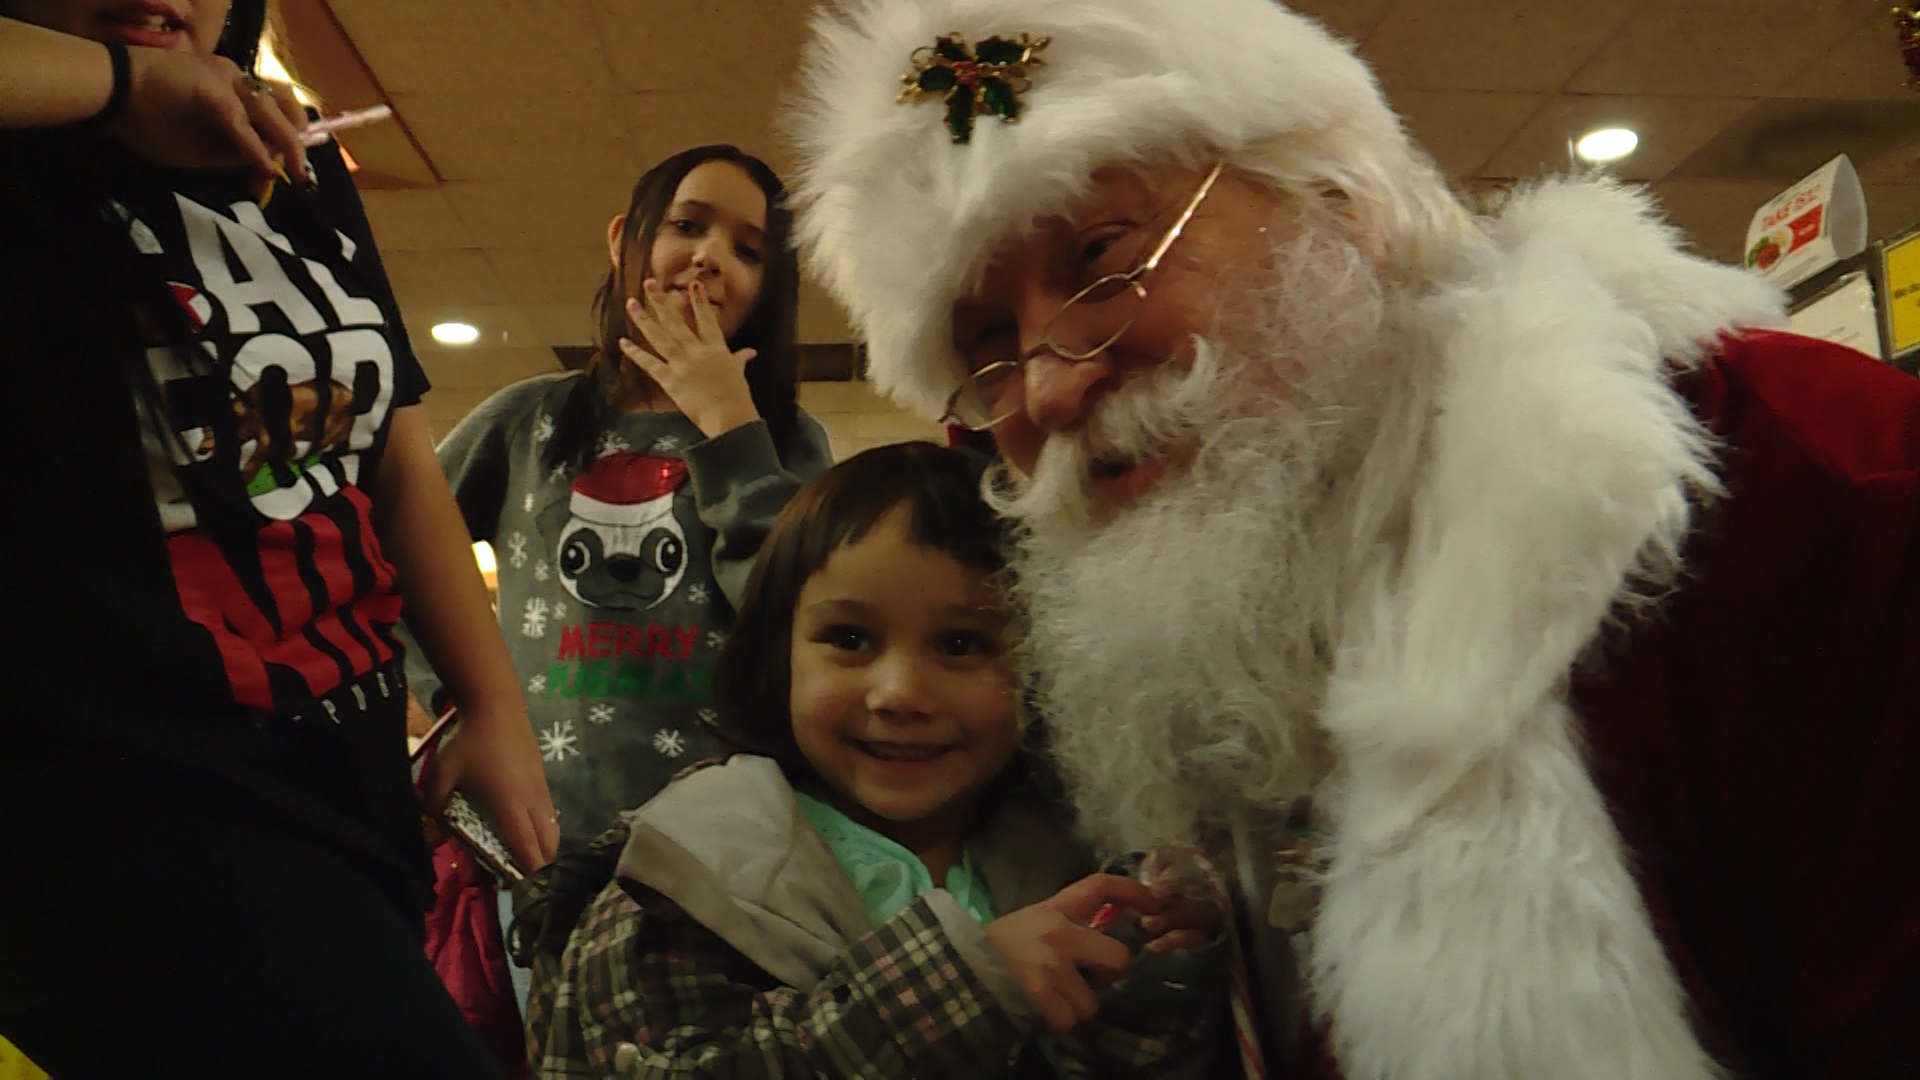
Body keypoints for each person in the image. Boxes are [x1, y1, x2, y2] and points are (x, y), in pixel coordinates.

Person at [784, 1, 1920, 1077]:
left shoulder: (1808, 484)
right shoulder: (1216, 632)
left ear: (1341, 207)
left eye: (1100, 259)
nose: (1054, 385)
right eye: (988, 339)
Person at [0, 1, 555, 1075]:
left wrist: (492, 704)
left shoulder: (289, 154)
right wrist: (124, 84)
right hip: (137, 806)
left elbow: (390, 444)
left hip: (344, 779)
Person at [521, 441, 1229, 1078]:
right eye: (850, 638)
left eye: (961, 645)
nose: (899, 694)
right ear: (779, 654)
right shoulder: (687, 869)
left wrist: (1152, 974)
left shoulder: (1064, 854)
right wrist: (964, 986)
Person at [406, 144, 833, 857]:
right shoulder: (525, 421)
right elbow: (384, 560)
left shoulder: (788, 444)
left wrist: (733, 428)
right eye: (686, 226)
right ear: (621, 242)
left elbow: (801, 621)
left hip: (723, 855)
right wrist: (458, 708)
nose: (709, 258)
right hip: (531, 840)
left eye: (749, 251)